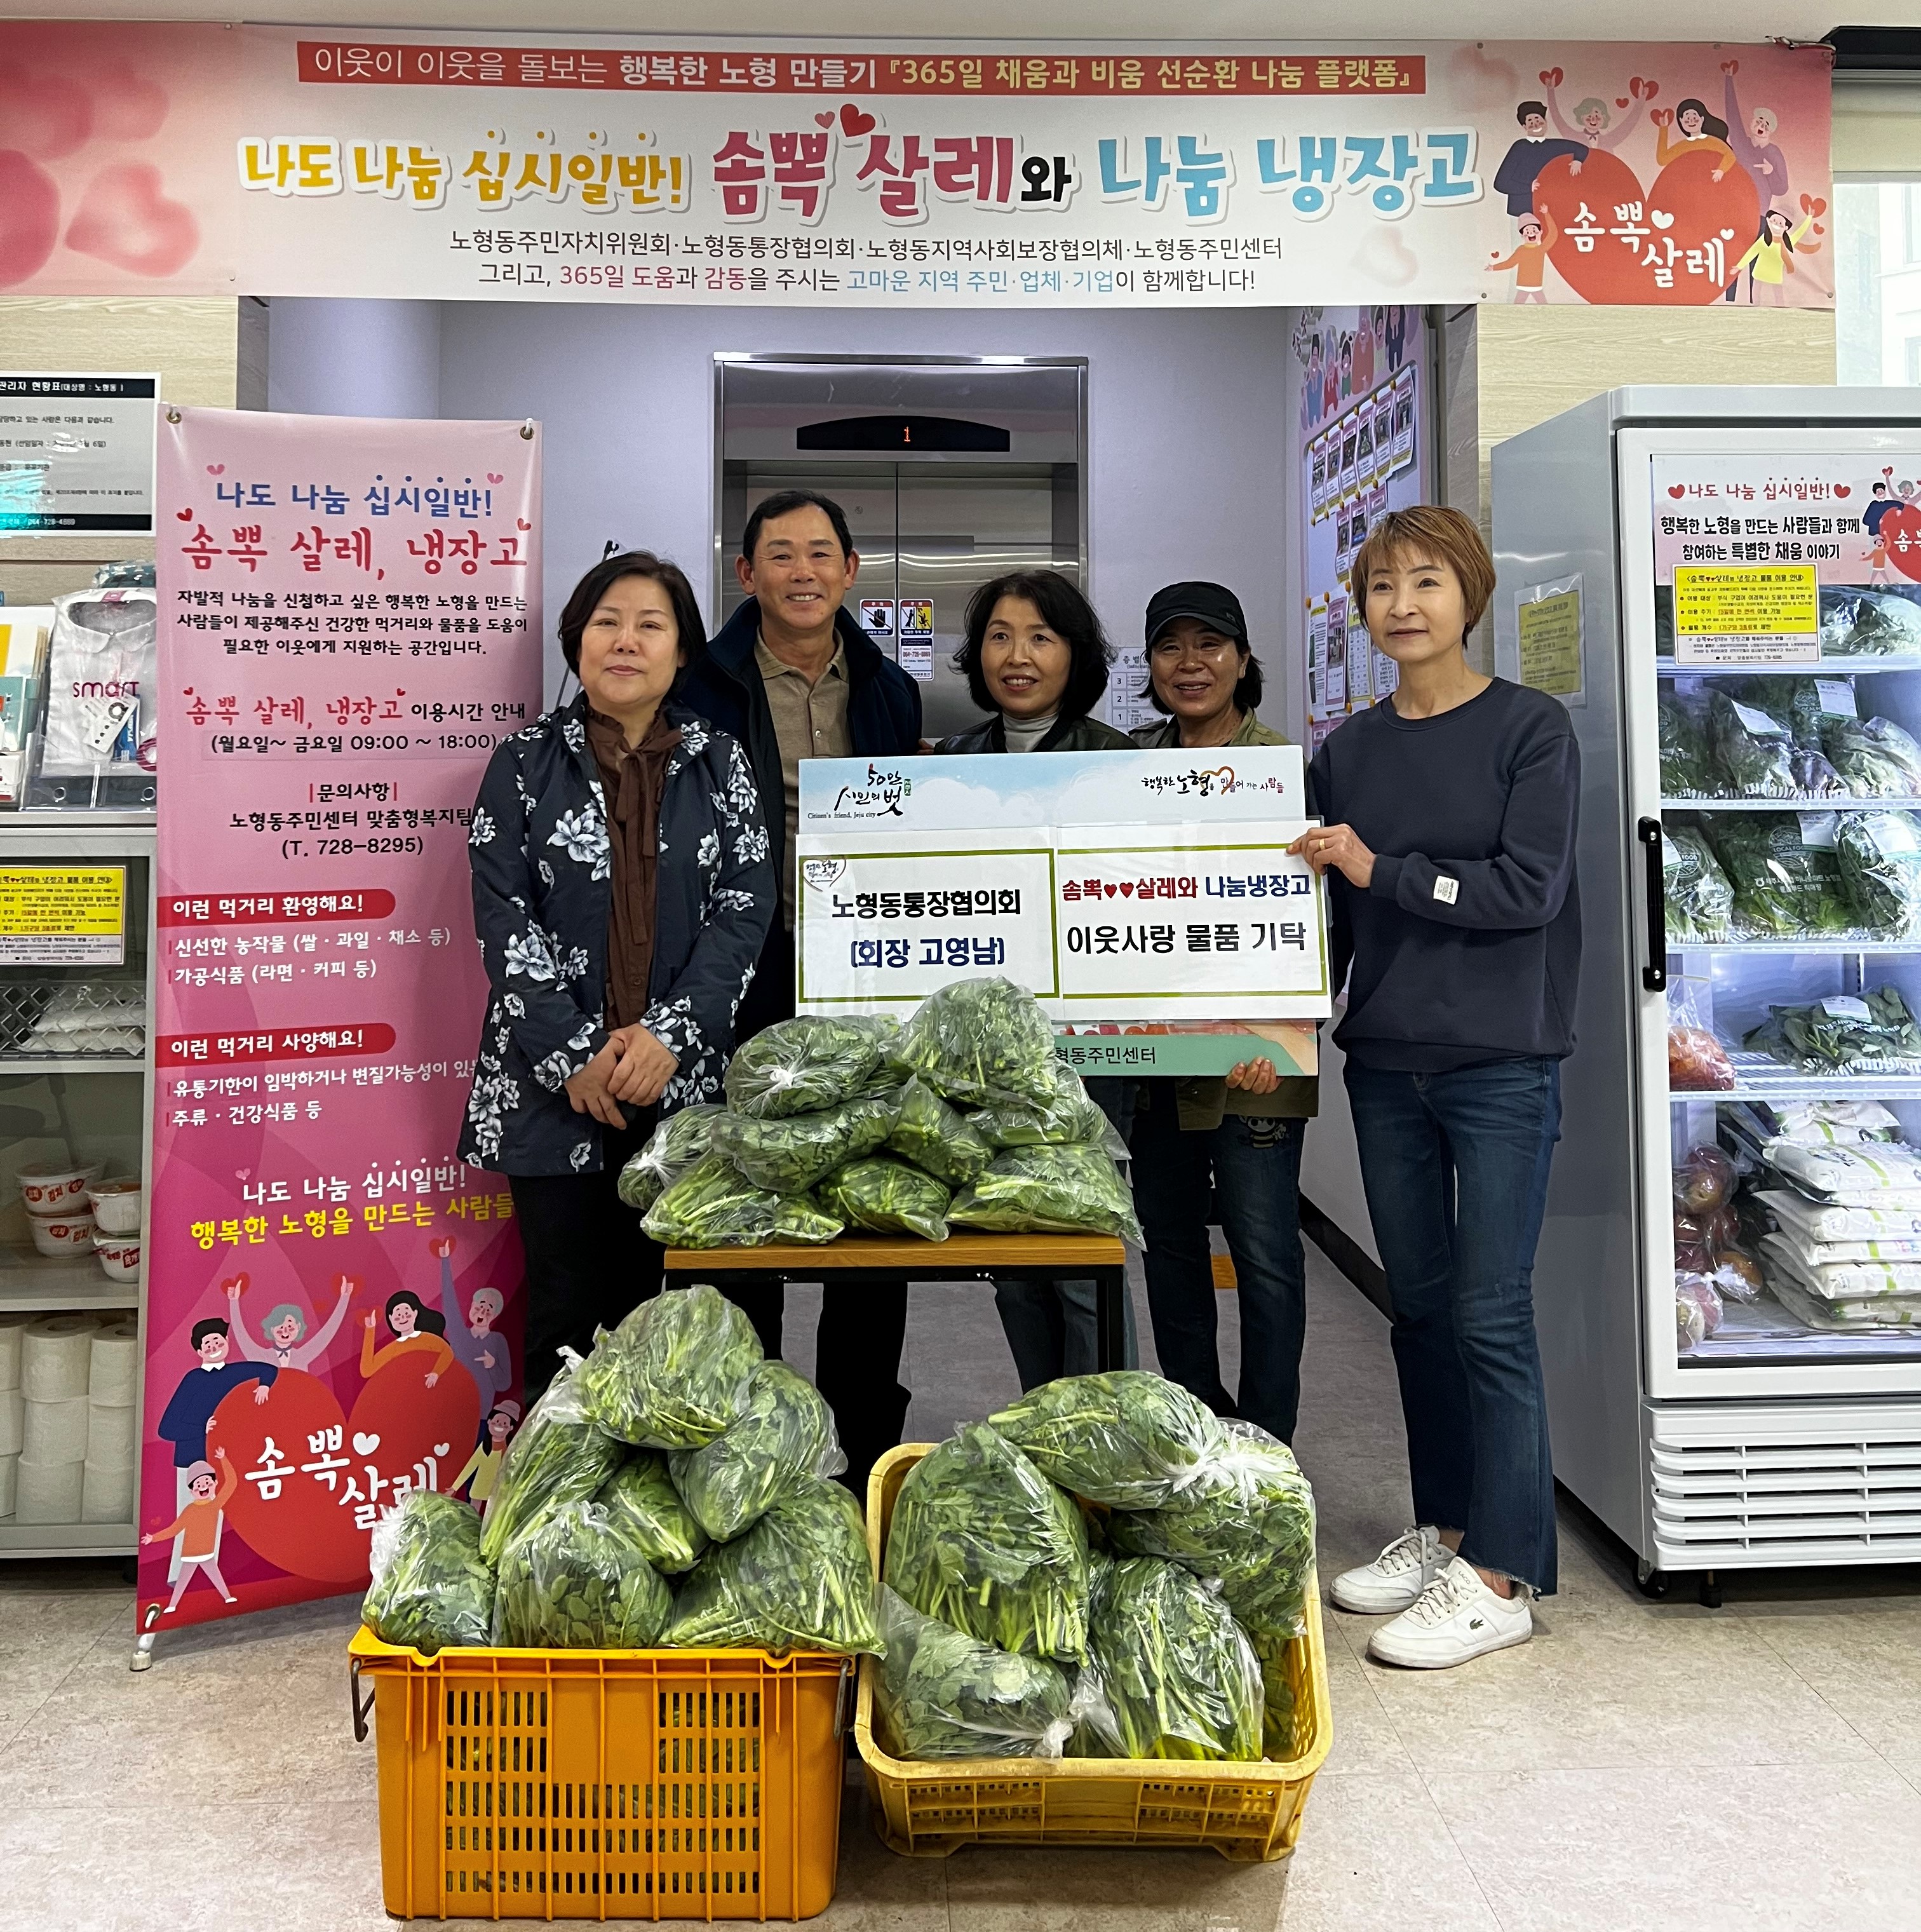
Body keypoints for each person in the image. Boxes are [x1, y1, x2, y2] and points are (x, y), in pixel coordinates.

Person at [1293, 505, 1580, 1671]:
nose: (1401, 604)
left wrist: (1383, 868)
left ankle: (1504, 1574)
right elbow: (1328, 923)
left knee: (1488, 1312)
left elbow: (1526, 892)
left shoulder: (1529, 728)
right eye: (1379, 586)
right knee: (1415, 1308)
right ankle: (1449, 1528)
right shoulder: (1347, 750)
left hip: (1502, 1063)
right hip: (1387, 1064)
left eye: (1425, 580)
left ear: (1472, 593)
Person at [461, 549, 774, 1395]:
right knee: (565, 1316)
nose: (626, 641)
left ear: (682, 651)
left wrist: (670, 1034)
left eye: (650, 624)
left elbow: (745, 908)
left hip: (679, 1081)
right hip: (552, 1086)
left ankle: (660, 1518)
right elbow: (502, 915)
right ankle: (556, 1518)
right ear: (576, 642)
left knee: (677, 1318)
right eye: (607, 622)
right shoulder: (523, 763)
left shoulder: (723, 763)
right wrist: (574, 1055)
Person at [678, 490, 921, 1489]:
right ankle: (747, 1439)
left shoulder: (891, 688)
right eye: (780, 555)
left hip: (863, 976)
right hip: (743, 972)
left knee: (871, 1202)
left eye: (822, 552)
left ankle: (859, 1441)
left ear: (851, 570)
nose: (803, 571)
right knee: (747, 1203)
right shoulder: (703, 684)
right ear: (747, 575)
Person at [938, 567, 1138, 1386]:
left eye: (1041, 636)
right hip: (987, 1060)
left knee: (1085, 1259)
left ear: (1075, 654)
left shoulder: (1118, 761)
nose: (1017, 656)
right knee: (1011, 1256)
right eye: (999, 635)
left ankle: (1102, 1440)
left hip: (1092, 1054)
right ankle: (1043, 1424)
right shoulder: (949, 762)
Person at [1127, 582, 1316, 1443]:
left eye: (1211, 645)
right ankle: (1199, 1424)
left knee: (1266, 1254)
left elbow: (1308, 924)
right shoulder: (1125, 769)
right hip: (1156, 1055)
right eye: (1171, 647)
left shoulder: (1284, 771)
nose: (1190, 663)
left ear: (1244, 661)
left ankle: (1268, 1444)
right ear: (1150, 665)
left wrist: (1269, 1035)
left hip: (1259, 1054)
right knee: (1168, 1242)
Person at [141, 1449, 239, 1612]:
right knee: (183, 1582)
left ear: (215, 1484)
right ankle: (172, 1605)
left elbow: (231, 1484)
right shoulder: (190, 1510)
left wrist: (224, 1460)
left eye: (208, 1483)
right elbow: (174, 1529)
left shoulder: (215, 1505)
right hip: (190, 1554)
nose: (204, 1487)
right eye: (199, 1485)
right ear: (192, 1491)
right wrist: (154, 1538)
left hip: (207, 1553)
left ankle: (227, 1598)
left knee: (216, 1576)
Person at [428, 1235, 512, 1411]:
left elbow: (504, 1385)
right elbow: (449, 1301)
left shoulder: (497, 1341)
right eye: (480, 1306)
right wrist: (445, 1261)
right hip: (451, 1410)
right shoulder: (459, 1333)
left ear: (494, 1315)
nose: (483, 1312)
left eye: (489, 1309)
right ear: (472, 1306)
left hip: (481, 1414)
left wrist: (492, 1366)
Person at [224, 1270, 354, 1371]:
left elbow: (327, 1333)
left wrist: (344, 1298)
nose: (285, 1331)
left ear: (298, 1328)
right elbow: (242, 1337)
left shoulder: (303, 1355)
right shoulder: (261, 1357)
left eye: (290, 1327)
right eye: (280, 1327)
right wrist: (234, 1302)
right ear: (271, 1329)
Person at [1492, 100, 1585, 217]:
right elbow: (1501, 183)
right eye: (1530, 121)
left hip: (1549, 209)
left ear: (1545, 122)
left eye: (1538, 119)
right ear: (1524, 126)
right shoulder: (1520, 147)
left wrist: (1578, 160)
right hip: (1522, 210)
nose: (1535, 125)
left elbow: (1581, 148)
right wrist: (1528, 187)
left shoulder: (1554, 145)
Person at [1722, 59, 1789, 211]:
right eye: (1759, 121)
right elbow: (1733, 116)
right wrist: (1729, 79)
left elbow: (1782, 189)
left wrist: (1770, 172)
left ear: (1770, 131)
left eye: (1766, 125)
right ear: (1752, 121)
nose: (1761, 127)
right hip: (1734, 205)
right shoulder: (1742, 144)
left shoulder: (1773, 152)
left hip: (1759, 211)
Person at [360, 1288, 454, 1384]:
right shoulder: (393, 1348)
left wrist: (436, 1373)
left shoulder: (427, 1339)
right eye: (398, 1315)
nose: (403, 1318)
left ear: (415, 1314)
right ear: (391, 1319)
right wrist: (370, 1329)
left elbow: (447, 1352)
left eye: (406, 1313)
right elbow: (367, 1370)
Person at [1731, 206, 1814, 306]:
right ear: (1768, 221)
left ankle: (1780, 312)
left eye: (1780, 224)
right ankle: (1756, 308)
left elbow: (1800, 232)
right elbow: (1752, 252)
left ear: (1785, 228)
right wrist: (1739, 266)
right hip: (1759, 273)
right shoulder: (1763, 240)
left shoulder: (1787, 242)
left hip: (1775, 276)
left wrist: (1809, 217)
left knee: (1779, 297)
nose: (1776, 225)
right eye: (1774, 221)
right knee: (1756, 295)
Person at [1652, 100, 1736, 180]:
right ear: (1681, 121)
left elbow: (1730, 155)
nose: (1691, 121)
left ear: (1702, 119)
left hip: (1711, 183)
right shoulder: (1683, 145)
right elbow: (1663, 160)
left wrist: (1721, 170)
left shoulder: (1712, 141)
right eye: (1687, 119)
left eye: (1695, 118)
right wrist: (1664, 128)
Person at [1489, 208, 1558, 304]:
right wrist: (1494, 268)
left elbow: (1553, 234)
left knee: (1544, 308)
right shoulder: (1521, 250)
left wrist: (1547, 214)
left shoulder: (1541, 249)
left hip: (1536, 286)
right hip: (1523, 286)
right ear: (1522, 236)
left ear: (1541, 232)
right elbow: (1510, 264)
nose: (1531, 234)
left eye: (1534, 230)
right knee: (1518, 307)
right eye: (1527, 232)